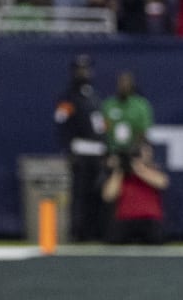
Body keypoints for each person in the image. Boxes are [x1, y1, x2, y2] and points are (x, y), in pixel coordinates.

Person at [53, 55, 105, 243]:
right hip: (80, 151)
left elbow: (100, 125)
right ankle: (79, 231)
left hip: (97, 152)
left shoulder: (94, 96)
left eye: (86, 69)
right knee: (80, 194)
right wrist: (68, 149)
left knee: (97, 193)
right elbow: (62, 124)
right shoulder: (69, 97)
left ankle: (96, 231)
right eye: (80, 69)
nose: (83, 73)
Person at [101, 141, 168, 245]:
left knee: (156, 237)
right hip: (125, 219)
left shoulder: (153, 170)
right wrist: (119, 170)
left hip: (149, 220)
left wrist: (138, 168)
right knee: (113, 239)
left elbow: (162, 183)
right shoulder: (121, 175)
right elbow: (108, 196)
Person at [102, 72, 154, 158]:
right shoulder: (108, 105)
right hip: (112, 151)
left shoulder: (141, 106)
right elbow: (103, 128)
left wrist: (133, 149)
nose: (123, 86)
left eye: (126, 82)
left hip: (134, 151)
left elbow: (143, 131)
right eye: (121, 82)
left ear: (131, 85)